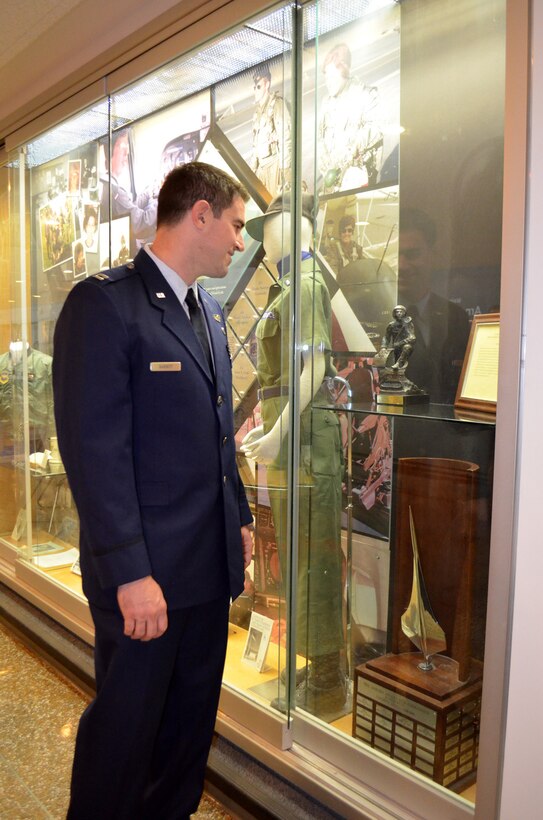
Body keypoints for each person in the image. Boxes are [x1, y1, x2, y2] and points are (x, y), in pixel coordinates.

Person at [53, 161, 254, 820]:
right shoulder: (106, 304)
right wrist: (130, 573)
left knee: (185, 737)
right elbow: (95, 454)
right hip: (146, 579)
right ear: (199, 214)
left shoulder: (207, 311)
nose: (237, 241)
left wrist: (241, 521)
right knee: (126, 734)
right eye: (234, 224)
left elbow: (216, 436)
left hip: (204, 569)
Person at [241, 193, 346, 719]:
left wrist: (279, 432)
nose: (265, 235)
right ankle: (318, 663)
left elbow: (315, 369)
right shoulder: (288, 286)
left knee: (315, 558)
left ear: (298, 225)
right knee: (297, 554)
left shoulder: (305, 283)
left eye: (272, 224)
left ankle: (329, 680)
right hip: (293, 437)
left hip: (306, 438)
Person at [398, 207, 471, 403]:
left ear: (432, 254)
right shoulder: (375, 318)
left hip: (448, 430)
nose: (401, 265)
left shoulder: (456, 317)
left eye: (412, 254)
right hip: (394, 430)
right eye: (396, 255)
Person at [318, 43, 383, 192]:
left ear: (345, 71)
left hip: (356, 179)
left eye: (332, 77)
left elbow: (376, 128)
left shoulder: (365, 95)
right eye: (326, 78)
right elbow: (320, 139)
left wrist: (351, 151)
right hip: (332, 181)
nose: (328, 83)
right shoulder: (326, 103)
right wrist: (326, 170)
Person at [100, 130, 158, 245]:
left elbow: (130, 208)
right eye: (122, 147)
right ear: (110, 151)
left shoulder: (108, 185)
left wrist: (148, 193)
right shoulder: (114, 192)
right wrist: (158, 199)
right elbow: (142, 223)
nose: (126, 153)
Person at [251, 64, 292, 195]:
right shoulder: (257, 113)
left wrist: (285, 169)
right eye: (254, 87)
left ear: (267, 85)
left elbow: (286, 137)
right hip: (261, 169)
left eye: (258, 87)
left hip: (274, 166)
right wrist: (252, 171)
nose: (255, 91)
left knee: (275, 204)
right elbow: (255, 144)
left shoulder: (277, 105)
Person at [377, 305, 416, 371]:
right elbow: (386, 337)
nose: (399, 313)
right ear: (394, 313)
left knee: (407, 347)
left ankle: (398, 363)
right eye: (397, 312)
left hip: (403, 346)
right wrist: (383, 347)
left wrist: (400, 343)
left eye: (401, 312)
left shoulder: (408, 324)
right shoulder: (391, 325)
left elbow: (412, 337)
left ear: (404, 313)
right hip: (394, 348)